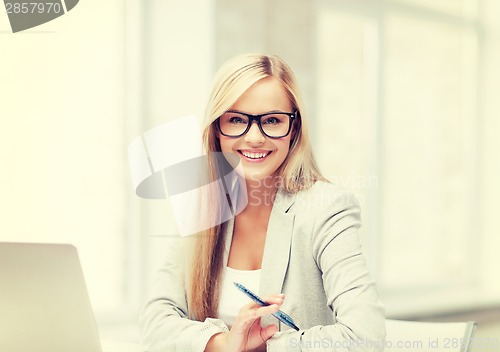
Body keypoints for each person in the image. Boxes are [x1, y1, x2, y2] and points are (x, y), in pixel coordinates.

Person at [139, 54, 386, 352]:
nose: (254, 137)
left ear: (293, 128)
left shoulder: (327, 208)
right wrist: (225, 343)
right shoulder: (202, 206)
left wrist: (266, 347)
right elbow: (154, 325)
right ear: (216, 129)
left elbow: (366, 337)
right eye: (236, 120)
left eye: (271, 120)